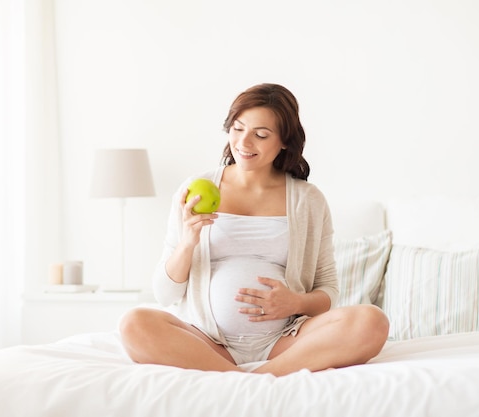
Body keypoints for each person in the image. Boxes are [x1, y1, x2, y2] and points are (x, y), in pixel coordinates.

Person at [119, 83, 389, 377]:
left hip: (284, 342)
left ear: (285, 141)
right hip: (207, 340)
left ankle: (254, 378)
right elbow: (164, 294)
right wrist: (188, 241)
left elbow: (328, 291)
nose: (244, 143)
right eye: (237, 129)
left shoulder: (307, 200)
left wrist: (295, 302)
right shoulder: (195, 190)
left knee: (371, 321)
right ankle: (243, 377)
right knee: (134, 324)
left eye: (261, 134)